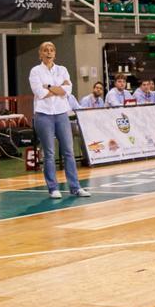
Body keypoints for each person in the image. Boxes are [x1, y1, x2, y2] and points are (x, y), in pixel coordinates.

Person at [29, 42, 90, 200]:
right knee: (49, 153)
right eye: (45, 50)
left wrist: (49, 86)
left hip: (62, 114)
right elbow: (40, 93)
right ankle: (53, 188)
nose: (48, 53)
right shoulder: (35, 71)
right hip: (43, 115)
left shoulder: (62, 69)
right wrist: (57, 89)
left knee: (68, 151)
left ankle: (75, 187)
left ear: (55, 53)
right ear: (40, 54)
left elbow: (67, 91)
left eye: (51, 50)